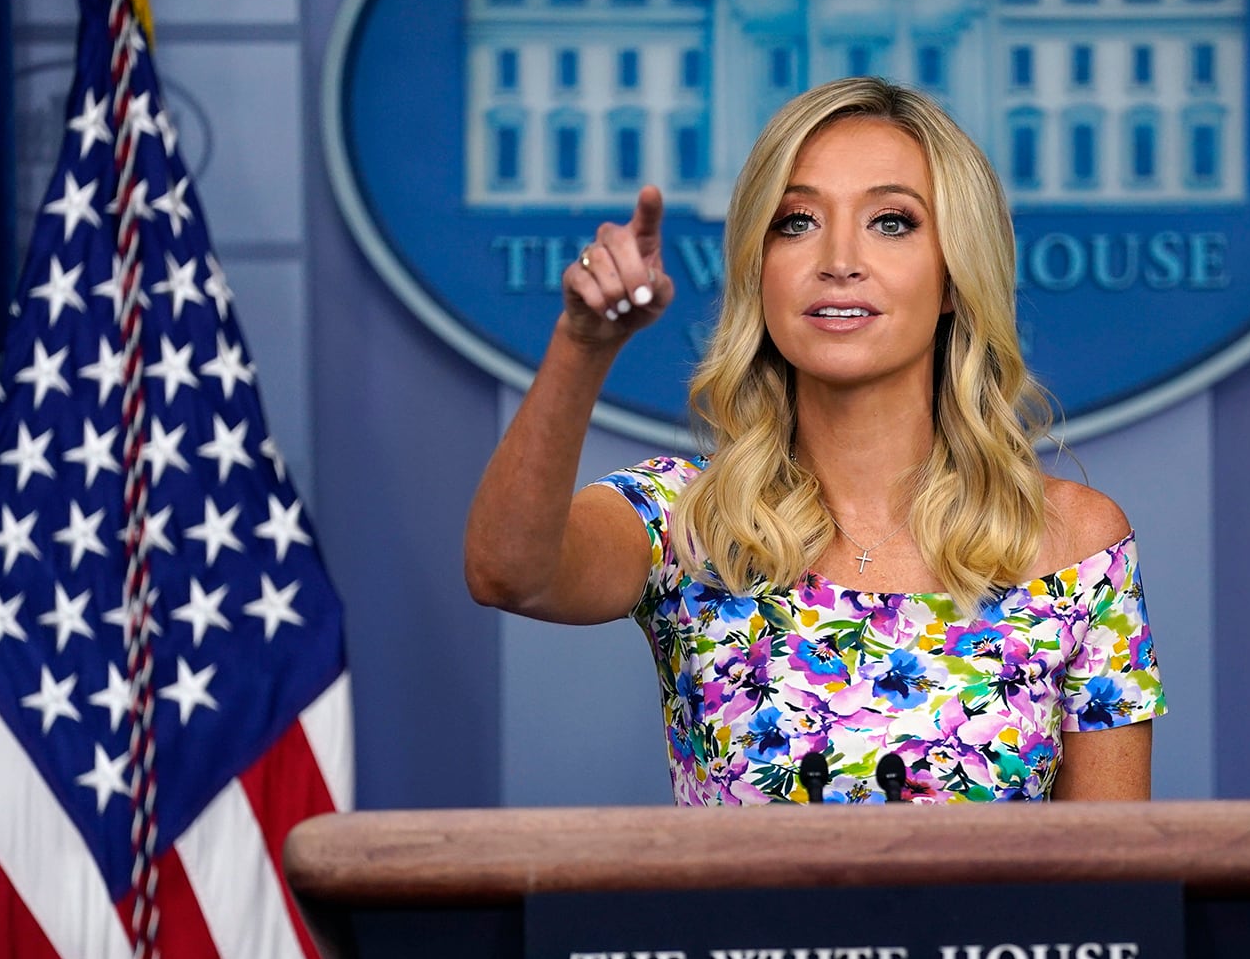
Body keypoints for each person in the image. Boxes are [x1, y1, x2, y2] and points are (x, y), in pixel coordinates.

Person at [466, 77, 1165, 803]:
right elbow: (508, 571)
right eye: (796, 221)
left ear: (955, 275)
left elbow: (1114, 889)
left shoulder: (1077, 545)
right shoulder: (686, 519)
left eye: (891, 222)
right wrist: (582, 343)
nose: (838, 257)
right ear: (759, 269)